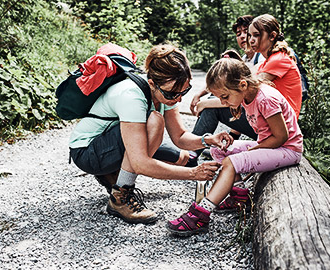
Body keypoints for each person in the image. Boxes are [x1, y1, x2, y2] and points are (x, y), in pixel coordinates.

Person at [69, 44, 233, 224]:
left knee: (183, 158)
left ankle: (113, 172)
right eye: (173, 94)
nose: (178, 99)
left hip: (112, 141)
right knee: (155, 121)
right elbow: (141, 164)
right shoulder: (131, 95)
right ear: (152, 83)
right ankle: (120, 197)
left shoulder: (167, 91)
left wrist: (208, 140)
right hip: (87, 151)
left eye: (184, 91)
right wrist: (194, 174)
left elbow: (179, 137)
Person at [167, 57, 303, 236]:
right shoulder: (246, 96)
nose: (223, 103)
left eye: (225, 97)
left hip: (287, 149)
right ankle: (240, 195)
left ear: (243, 85)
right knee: (218, 149)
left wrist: (252, 151)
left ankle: (201, 213)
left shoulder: (266, 99)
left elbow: (281, 136)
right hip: (271, 145)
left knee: (232, 161)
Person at [188, 15, 264, 163]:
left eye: (246, 32)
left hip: (271, 125)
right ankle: (204, 147)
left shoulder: (261, 58)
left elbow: (248, 93)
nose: (242, 36)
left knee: (211, 107)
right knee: (213, 100)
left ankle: (191, 152)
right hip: (256, 117)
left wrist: (204, 104)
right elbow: (221, 82)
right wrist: (199, 94)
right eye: (238, 34)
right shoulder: (245, 59)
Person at [249, 14, 303, 117]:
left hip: (284, 123)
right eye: (250, 35)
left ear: (272, 36)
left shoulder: (278, 59)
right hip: (273, 116)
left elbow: (248, 88)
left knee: (216, 109)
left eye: (256, 35)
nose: (251, 40)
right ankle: (231, 134)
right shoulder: (268, 61)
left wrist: (208, 103)